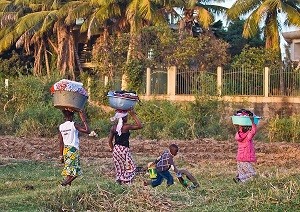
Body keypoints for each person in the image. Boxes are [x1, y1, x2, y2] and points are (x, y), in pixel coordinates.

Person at [108, 108, 143, 184]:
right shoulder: (126, 127)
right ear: (124, 118)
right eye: (126, 116)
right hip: (124, 149)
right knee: (132, 167)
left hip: (116, 149)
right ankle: (126, 180)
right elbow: (140, 126)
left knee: (120, 167)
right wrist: (133, 115)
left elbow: (110, 141)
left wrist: (113, 149)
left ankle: (120, 180)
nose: (127, 117)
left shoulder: (113, 127)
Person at [59, 109, 90, 186]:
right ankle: (63, 184)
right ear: (72, 116)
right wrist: (83, 119)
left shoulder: (61, 126)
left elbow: (61, 142)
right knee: (75, 172)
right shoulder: (73, 125)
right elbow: (87, 131)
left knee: (69, 172)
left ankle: (68, 189)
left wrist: (61, 155)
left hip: (66, 150)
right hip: (73, 150)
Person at [234, 114, 257, 183]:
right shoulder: (247, 137)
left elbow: (241, 129)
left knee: (244, 176)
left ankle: (240, 180)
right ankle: (239, 178)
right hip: (245, 159)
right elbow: (253, 132)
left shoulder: (239, 135)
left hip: (239, 159)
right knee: (253, 174)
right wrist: (253, 122)